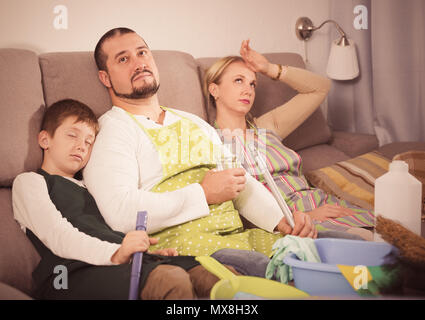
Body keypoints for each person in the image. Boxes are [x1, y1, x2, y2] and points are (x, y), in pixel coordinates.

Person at [83, 27, 318, 273]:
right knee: (290, 273)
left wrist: (282, 221)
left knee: (321, 249)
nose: (139, 63)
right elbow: (120, 213)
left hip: (240, 239)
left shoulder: (191, 121)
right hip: (190, 251)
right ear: (105, 78)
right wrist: (203, 194)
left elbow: (240, 181)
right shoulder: (112, 130)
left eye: (142, 53)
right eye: (123, 59)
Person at [12, 99, 238, 300]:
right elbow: (58, 236)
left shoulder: (93, 187)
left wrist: (144, 254)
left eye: (89, 141)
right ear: (44, 139)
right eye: (72, 135)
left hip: (119, 262)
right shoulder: (30, 182)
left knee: (216, 275)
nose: (82, 145)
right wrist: (117, 253)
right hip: (69, 273)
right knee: (170, 281)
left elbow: (113, 227)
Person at [203, 40, 375, 239]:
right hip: (292, 223)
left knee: (398, 237)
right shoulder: (209, 142)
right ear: (214, 89)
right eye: (238, 81)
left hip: (327, 205)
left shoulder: (266, 127)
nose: (248, 90)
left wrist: (269, 68)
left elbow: (320, 87)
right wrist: (301, 218)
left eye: (252, 84)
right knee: (371, 248)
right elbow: (237, 205)